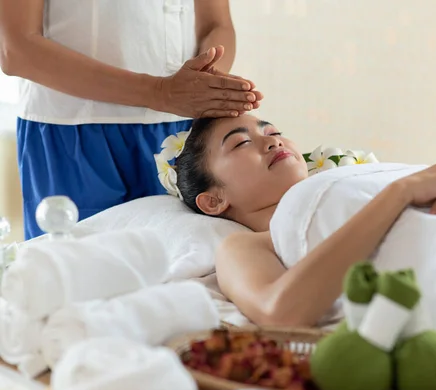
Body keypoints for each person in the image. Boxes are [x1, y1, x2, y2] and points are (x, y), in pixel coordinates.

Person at [173, 114, 436, 324]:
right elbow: (279, 311)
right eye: (241, 143)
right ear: (213, 200)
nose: (272, 142)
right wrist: (402, 192)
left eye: (272, 132)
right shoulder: (244, 246)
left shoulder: (356, 178)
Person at [0, 0, 263, 239]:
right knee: (76, 274)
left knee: (179, 272)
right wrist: (160, 92)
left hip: (179, 131)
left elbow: (217, 24)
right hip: (75, 133)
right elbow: (16, 49)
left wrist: (205, 84)